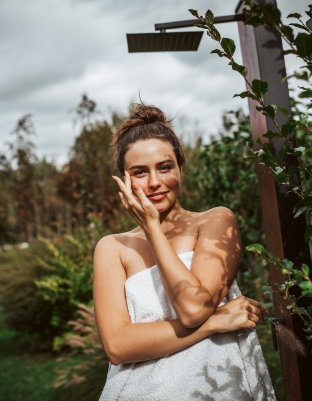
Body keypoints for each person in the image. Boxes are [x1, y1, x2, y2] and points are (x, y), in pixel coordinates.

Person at [94, 104, 276, 401]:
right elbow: (118, 346)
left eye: (164, 167)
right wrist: (215, 322)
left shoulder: (215, 221)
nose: (154, 182)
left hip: (218, 387)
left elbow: (193, 309)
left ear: (180, 168)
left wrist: (152, 230)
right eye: (140, 172)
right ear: (124, 181)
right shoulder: (112, 248)